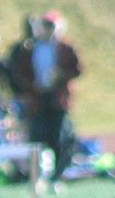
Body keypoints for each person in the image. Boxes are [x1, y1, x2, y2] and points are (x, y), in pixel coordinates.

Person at [10, 11, 82, 183]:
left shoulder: (65, 47)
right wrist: (31, 86)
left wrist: (61, 76)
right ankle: (38, 175)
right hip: (38, 99)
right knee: (38, 138)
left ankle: (56, 176)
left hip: (57, 99)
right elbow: (20, 73)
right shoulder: (30, 48)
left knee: (59, 137)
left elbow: (77, 69)